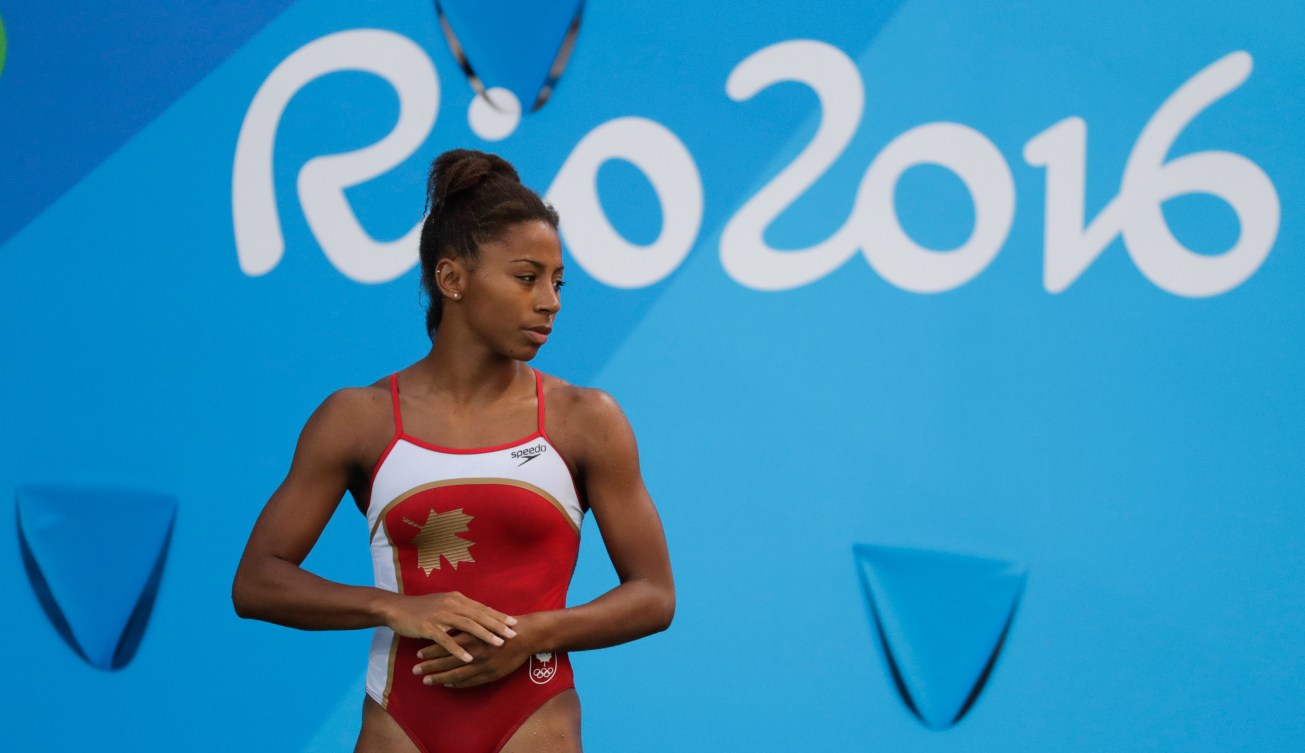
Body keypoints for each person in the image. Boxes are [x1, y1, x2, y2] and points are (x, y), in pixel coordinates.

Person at [232, 149, 675, 753]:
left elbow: (654, 594)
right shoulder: (356, 419)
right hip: (399, 721)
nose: (551, 301)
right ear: (452, 280)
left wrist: (535, 633)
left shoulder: (586, 419)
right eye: (527, 277)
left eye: (557, 281)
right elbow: (257, 582)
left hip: (535, 714)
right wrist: (392, 608)